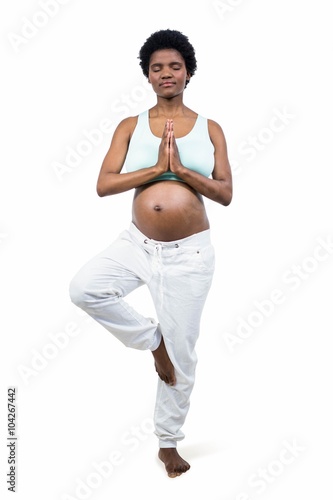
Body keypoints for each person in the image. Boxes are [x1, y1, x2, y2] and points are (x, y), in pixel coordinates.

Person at [69, 29, 232, 478]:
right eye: (157, 67)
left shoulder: (210, 128)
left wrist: (180, 171)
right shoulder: (130, 125)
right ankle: (150, 338)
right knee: (85, 289)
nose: (166, 73)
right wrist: (157, 168)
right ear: (147, 75)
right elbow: (104, 185)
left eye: (174, 66)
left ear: (188, 73)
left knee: (184, 353)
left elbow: (226, 193)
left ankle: (167, 442)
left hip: (189, 255)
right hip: (136, 244)